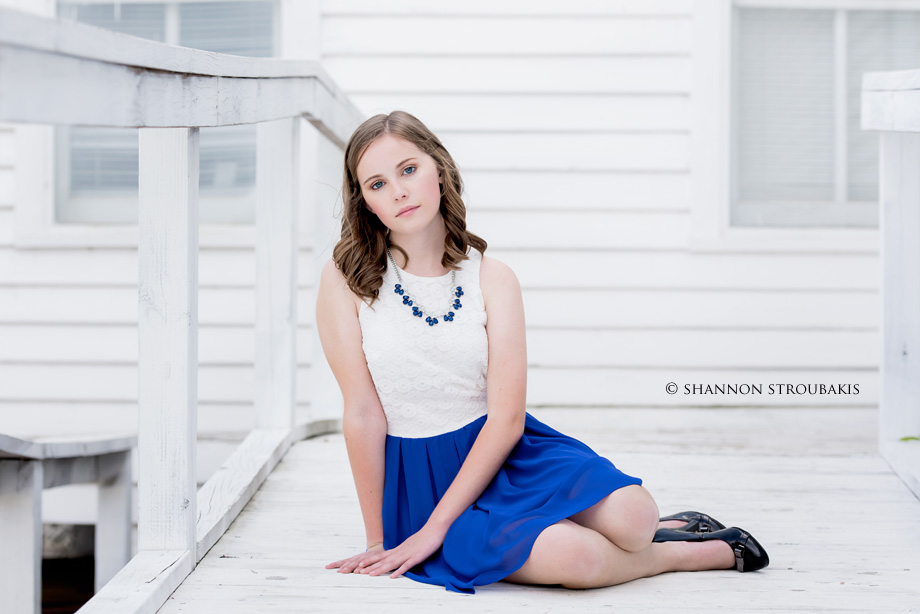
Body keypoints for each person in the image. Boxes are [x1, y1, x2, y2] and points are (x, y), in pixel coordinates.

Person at [315, 110, 769, 594]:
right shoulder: (347, 281)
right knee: (578, 558)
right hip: (422, 480)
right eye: (377, 184)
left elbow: (507, 419)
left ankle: (655, 531)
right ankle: (683, 553)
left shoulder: (492, 278)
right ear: (364, 202)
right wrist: (381, 537)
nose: (399, 191)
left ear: (440, 170)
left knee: (636, 516)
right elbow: (363, 414)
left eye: (409, 170)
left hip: (504, 451)